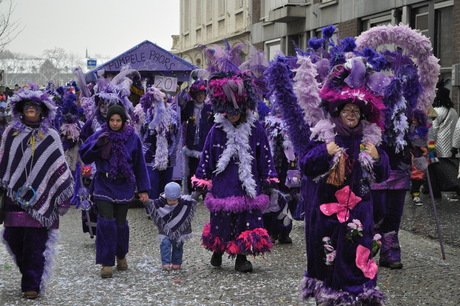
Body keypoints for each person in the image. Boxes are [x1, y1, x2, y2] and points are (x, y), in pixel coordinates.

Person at [192, 70, 278, 273]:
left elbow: (264, 153)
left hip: (247, 185)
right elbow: (207, 154)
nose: (231, 116)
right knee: (222, 220)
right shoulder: (217, 130)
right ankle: (218, 250)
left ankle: (241, 257)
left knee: (246, 221)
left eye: (235, 112)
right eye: (227, 112)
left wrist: (268, 177)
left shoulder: (256, 129)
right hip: (223, 183)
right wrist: (202, 178)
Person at [0, 84, 74, 299]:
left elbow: (59, 167)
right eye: (27, 106)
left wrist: (62, 198)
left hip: (43, 200)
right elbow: (4, 161)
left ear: (43, 110)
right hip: (15, 196)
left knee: (35, 242)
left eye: (35, 106)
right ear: (21, 109)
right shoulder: (10, 133)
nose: (31, 110)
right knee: (13, 237)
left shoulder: (50, 135)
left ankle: (31, 284)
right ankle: (29, 272)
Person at [79, 104, 150, 278]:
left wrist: (143, 189)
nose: (115, 123)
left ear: (123, 121)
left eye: (118, 120)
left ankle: (121, 255)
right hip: (103, 183)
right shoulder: (100, 134)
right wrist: (97, 145)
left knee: (120, 224)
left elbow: (140, 164)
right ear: (108, 120)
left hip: (124, 184)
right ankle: (106, 262)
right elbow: (84, 155)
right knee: (106, 222)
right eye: (112, 120)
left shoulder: (133, 138)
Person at [139, 87, 180, 204]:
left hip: (168, 155)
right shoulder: (146, 113)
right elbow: (141, 133)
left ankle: (164, 208)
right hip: (150, 155)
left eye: (165, 98)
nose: (162, 101)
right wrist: (146, 149)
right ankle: (152, 207)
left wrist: (171, 151)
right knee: (152, 182)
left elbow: (177, 134)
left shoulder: (173, 115)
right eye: (159, 99)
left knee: (166, 183)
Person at [144, 182, 196, 271]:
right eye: (170, 200)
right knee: (165, 244)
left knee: (178, 245)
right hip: (165, 230)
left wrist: (199, 190)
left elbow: (193, 199)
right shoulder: (160, 203)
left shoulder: (184, 203)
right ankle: (166, 263)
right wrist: (145, 201)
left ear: (179, 198)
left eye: (175, 200)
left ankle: (176, 262)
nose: (172, 202)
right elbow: (151, 204)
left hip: (179, 231)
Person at [178, 69, 214, 197]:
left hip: (205, 144)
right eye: (198, 93)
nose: (200, 96)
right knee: (192, 169)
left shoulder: (210, 108)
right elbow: (180, 117)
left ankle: (205, 193)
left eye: (202, 93)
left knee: (206, 169)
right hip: (191, 145)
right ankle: (191, 193)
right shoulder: (189, 106)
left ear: (205, 94)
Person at [428, 79, 459, 199]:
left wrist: (430, 145)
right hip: (450, 146)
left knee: (433, 169)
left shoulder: (436, 111)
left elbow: (433, 129)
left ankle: (433, 191)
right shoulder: (453, 111)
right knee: (451, 169)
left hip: (438, 146)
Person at [409, 110, 429, 206]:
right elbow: (418, 141)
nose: (413, 120)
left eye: (415, 119)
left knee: (418, 174)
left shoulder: (418, 128)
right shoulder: (415, 128)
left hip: (418, 154)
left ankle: (415, 193)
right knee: (417, 175)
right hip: (417, 154)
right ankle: (415, 194)